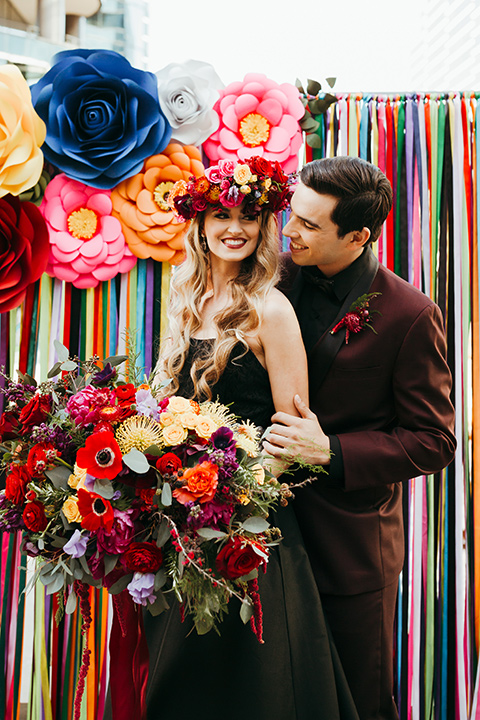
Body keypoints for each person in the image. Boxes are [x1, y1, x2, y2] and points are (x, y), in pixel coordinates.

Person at [142, 157, 360, 720]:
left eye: (248, 216)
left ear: (266, 228)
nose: (233, 227)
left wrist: (229, 499)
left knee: (255, 688)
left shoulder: (271, 307)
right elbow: (167, 406)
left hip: (248, 529)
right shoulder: (182, 295)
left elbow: (292, 437)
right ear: (200, 223)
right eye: (220, 214)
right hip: (181, 526)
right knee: (181, 680)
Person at [263, 156, 457, 720]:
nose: (288, 232)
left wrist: (332, 452)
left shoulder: (411, 314)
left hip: (349, 548)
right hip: (264, 536)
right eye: (290, 215)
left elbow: (434, 439)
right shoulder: (268, 278)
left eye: (308, 225)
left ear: (358, 236)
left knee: (360, 703)